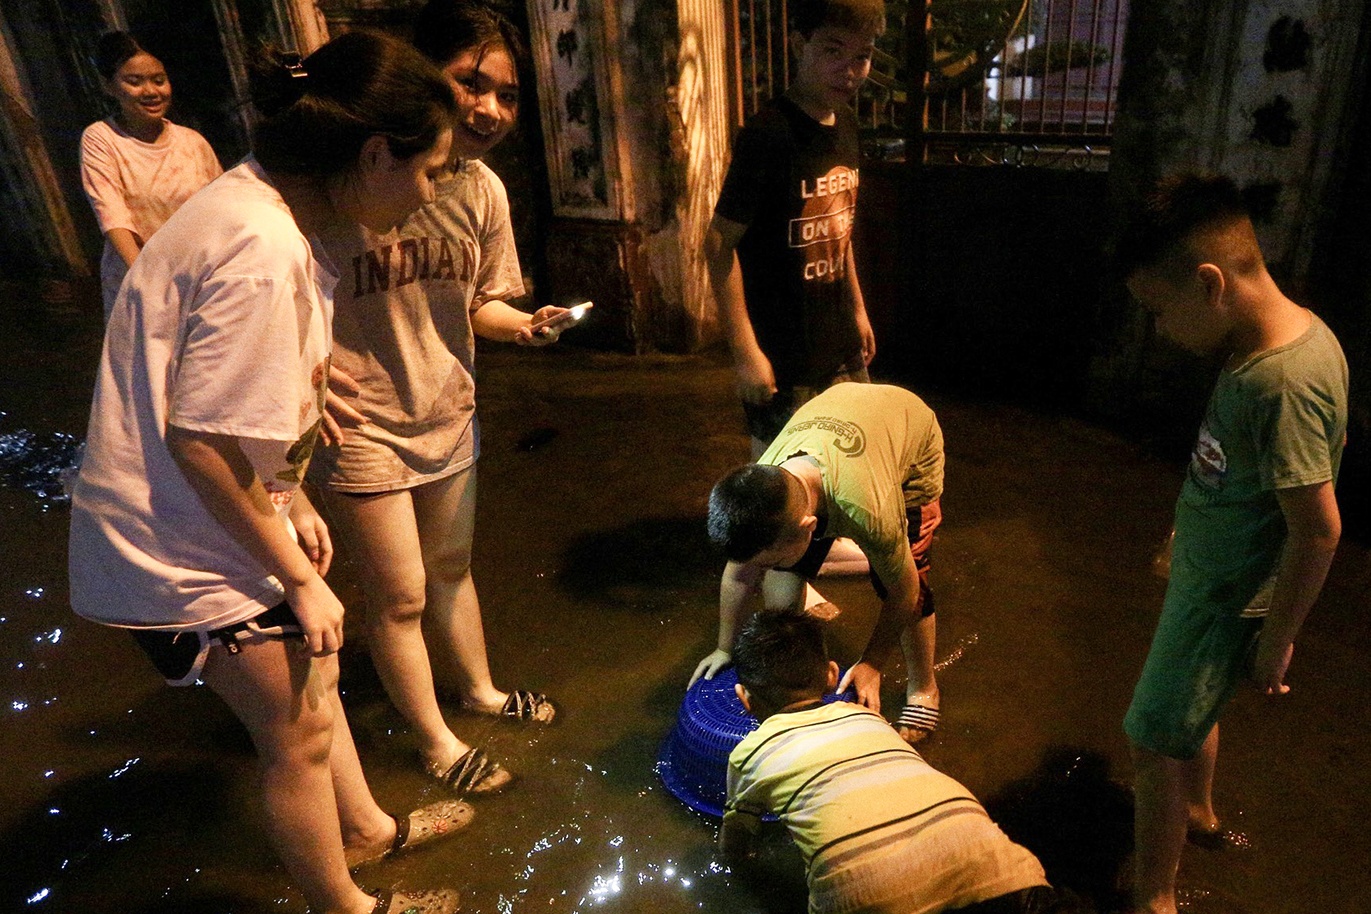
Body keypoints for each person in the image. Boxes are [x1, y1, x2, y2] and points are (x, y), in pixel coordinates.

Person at [68, 31, 470, 914]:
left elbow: (210, 383)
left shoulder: (253, 201)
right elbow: (201, 443)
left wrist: (285, 493)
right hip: (175, 541)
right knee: (295, 734)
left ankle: (365, 829)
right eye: (430, 168)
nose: (431, 189)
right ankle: (346, 905)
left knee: (316, 689)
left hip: (205, 512)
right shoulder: (263, 247)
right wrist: (294, 569)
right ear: (373, 154)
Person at [310, 0, 562, 798]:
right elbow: (281, 294)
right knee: (400, 594)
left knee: (452, 566)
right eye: (469, 83)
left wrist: (522, 327)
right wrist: (304, 373)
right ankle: (434, 742)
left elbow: (482, 300)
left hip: (448, 406)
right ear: (423, 81)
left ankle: (479, 692)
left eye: (507, 94)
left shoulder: (483, 192)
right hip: (362, 424)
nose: (489, 108)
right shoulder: (348, 182)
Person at [1118, 174, 1346, 914]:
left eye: (1156, 310)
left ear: (1209, 283)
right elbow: (1246, 476)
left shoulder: (1278, 384)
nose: (1156, 330)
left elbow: (1318, 528)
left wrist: (1277, 637)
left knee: (1151, 740)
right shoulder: (1289, 339)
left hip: (1222, 595)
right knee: (1193, 710)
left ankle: (1154, 895)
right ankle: (1198, 814)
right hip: (1208, 565)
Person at [720, 608, 1059, 914]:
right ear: (831, 675)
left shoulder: (750, 753)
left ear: (744, 698)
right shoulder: (869, 718)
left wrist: (738, 866)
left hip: (870, 896)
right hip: (1004, 873)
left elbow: (736, 844)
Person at [691, 382, 946, 744]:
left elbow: (906, 591)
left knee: (905, 572)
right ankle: (865, 558)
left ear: (809, 526)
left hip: (909, 434)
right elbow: (740, 573)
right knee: (788, 561)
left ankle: (925, 686)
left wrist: (872, 662)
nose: (763, 569)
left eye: (771, 559)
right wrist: (724, 647)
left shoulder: (869, 510)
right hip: (838, 409)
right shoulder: (766, 484)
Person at [705, 0, 881, 458]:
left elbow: (837, 230)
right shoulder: (768, 134)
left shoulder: (847, 125)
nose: (849, 70)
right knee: (782, 479)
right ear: (799, 45)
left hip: (838, 341)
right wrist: (745, 352)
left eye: (862, 56)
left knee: (848, 468)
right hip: (781, 352)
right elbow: (719, 244)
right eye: (833, 50)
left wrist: (858, 310)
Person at [80, 31, 222, 320]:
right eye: (134, 81)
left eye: (159, 80)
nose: (151, 91)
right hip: (139, 282)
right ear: (109, 86)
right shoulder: (101, 139)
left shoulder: (192, 141)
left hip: (198, 278)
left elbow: (221, 208)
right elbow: (113, 217)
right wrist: (145, 280)